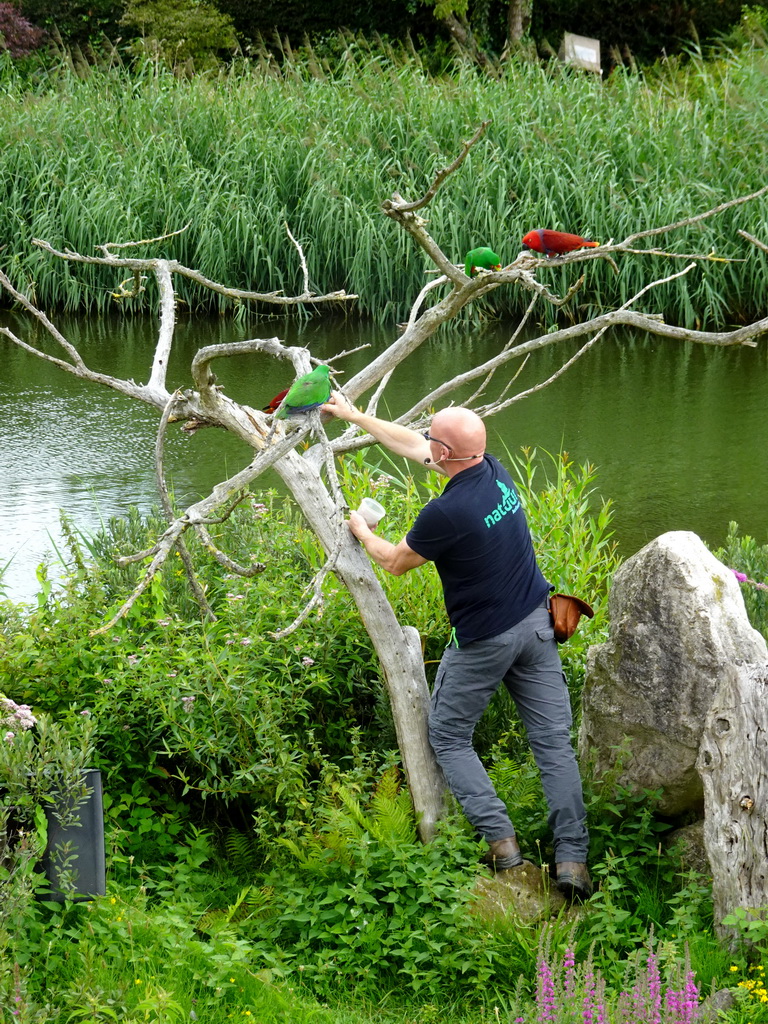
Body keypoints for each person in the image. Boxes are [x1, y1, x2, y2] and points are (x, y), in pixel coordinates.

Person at [322, 396, 592, 900]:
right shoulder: (493, 470)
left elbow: (396, 562)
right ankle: (572, 862)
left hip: (487, 641)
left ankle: (502, 843)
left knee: (447, 734)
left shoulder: (445, 512)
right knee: (554, 746)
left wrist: (360, 530)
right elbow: (414, 446)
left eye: (431, 438)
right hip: (537, 627)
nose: (424, 443)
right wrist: (356, 417)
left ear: (444, 452)